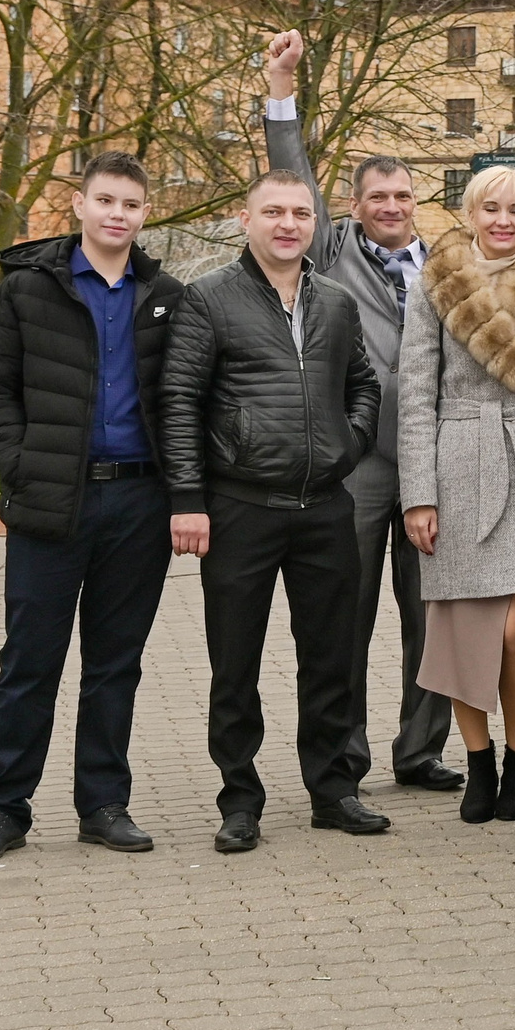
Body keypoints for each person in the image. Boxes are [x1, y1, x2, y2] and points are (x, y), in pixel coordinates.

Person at [0, 153, 185, 863]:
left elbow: (181, 397)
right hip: (53, 500)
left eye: (132, 204)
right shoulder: (29, 288)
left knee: (116, 662)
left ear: (146, 213)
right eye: (106, 200)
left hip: (138, 502)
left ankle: (103, 803)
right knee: (30, 659)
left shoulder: (166, 295)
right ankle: (4, 807)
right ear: (80, 205)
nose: (118, 213)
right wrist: (21, 466)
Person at [161, 167, 387, 852]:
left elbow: (365, 383)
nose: (287, 223)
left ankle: (332, 788)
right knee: (236, 662)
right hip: (240, 508)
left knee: (333, 657)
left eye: (300, 212)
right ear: (245, 218)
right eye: (273, 211)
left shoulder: (338, 302)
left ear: (314, 223)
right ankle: (240, 797)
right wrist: (187, 499)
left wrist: (349, 444)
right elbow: (178, 400)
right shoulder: (208, 300)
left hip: (324, 506)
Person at [262, 31, 460, 792]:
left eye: (403, 196)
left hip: (429, 462)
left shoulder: (447, 263)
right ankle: (342, 757)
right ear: (353, 205)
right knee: (343, 618)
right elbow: (291, 180)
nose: (391, 207)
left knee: (431, 614)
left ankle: (422, 750)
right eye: (377, 196)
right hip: (355, 466)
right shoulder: (329, 252)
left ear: (417, 203)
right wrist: (282, 92)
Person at [399, 165, 515, 824]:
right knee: (461, 628)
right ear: (470, 212)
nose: (504, 221)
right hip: (455, 457)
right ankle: (478, 760)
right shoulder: (433, 284)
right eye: (491, 208)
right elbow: (416, 389)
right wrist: (418, 492)